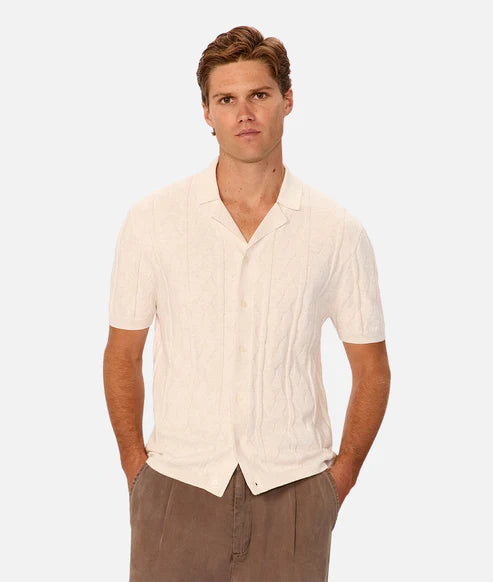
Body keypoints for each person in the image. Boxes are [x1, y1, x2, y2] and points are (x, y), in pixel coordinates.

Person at [103, 25, 391, 582]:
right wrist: (137, 470)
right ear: (206, 113)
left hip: (294, 494)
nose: (244, 113)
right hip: (176, 490)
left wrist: (336, 484)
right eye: (226, 99)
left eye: (259, 94)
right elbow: (122, 354)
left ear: (288, 100)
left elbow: (372, 369)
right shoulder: (153, 221)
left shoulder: (337, 231)